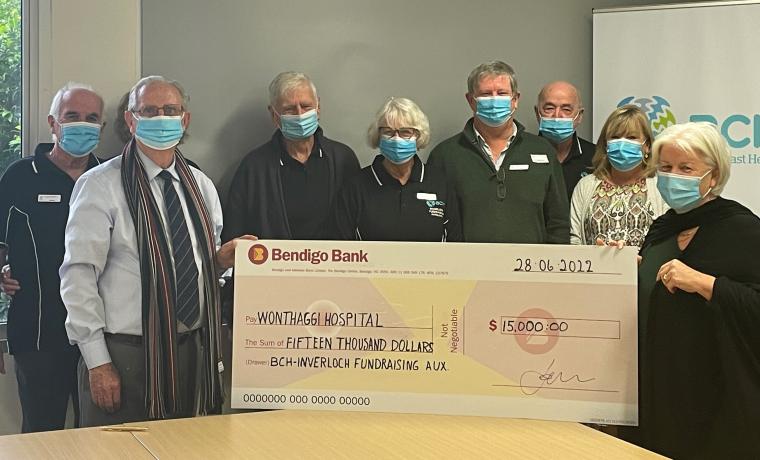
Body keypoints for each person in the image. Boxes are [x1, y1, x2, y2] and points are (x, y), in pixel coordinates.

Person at [60, 76, 253, 426]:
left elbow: (200, 266)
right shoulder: (101, 185)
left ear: (185, 119)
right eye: (149, 110)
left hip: (192, 351)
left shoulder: (201, 186)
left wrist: (222, 261)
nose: (160, 117)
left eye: (170, 110)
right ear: (131, 120)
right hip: (126, 355)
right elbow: (78, 277)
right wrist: (98, 361)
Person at [637, 122, 760, 457]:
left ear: (714, 176)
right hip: (660, 391)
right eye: (665, 168)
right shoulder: (661, 229)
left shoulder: (743, 230)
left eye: (686, 168)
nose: (672, 176)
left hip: (719, 397)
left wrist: (708, 284)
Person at [0, 82, 104, 432]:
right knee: (41, 435)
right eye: (71, 116)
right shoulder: (19, 177)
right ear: (52, 123)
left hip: (105, 338)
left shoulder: (112, 178)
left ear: (103, 127)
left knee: (103, 438)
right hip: (38, 333)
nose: (82, 124)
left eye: (91, 118)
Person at [427, 61, 569, 243]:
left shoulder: (543, 150)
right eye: (486, 94)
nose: (494, 100)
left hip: (529, 268)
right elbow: (436, 223)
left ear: (515, 100)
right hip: (467, 268)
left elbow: (558, 222)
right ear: (471, 101)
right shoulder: (445, 155)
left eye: (502, 93)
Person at [223, 71, 360, 241]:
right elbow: (235, 237)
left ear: (318, 108)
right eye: (289, 109)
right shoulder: (253, 169)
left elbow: (359, 224)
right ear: (274, 115)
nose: (300, 114)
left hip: (334, 265)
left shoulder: (343, 160)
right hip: (274, 267)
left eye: (306, 106)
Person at [331, 97, 461, 241]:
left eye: (405, 132)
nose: (396, 139)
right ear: (378, 135)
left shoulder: (440, 184)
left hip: (430, 264)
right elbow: (344, 250)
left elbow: (455, 245)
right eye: (388, 132)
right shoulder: (355, 188)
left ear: (418, 136)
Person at [570, 105, 668, 247]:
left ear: (647, 146)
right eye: (615, 137)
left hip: (647, 268)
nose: (622, 144)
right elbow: (575, 240)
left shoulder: (661, 187)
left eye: (631, 137)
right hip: (597, 268)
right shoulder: (585, 185)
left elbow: (668, 240)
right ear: (606, 145)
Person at [534, 81, 595, 198]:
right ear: (537, 113)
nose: (557, 115)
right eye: (549, 108)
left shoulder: (596, 157)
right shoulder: (521, 155)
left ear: (579, 115)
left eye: (566, 109)